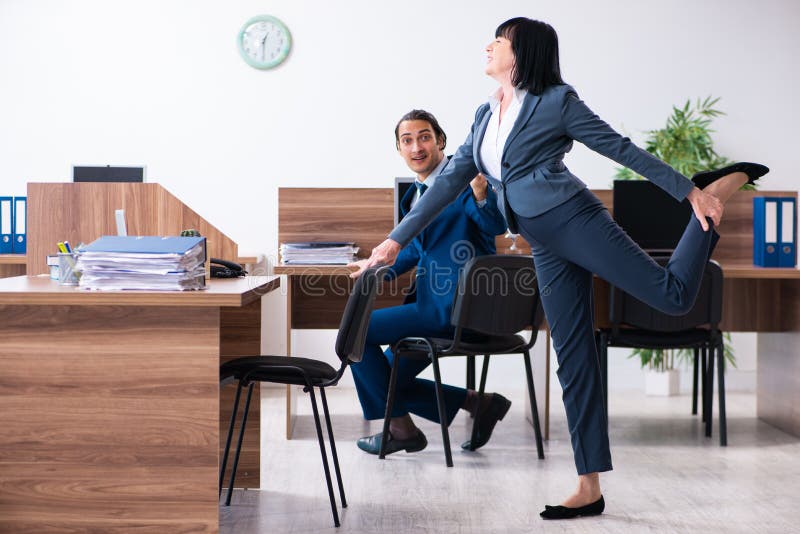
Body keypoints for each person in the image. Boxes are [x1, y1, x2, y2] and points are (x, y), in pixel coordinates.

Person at [354, 18, 768, 519]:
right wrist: (394, 241)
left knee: (674, 295)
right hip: (541, 238)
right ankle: (588, 485)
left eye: (499, 41)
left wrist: (690, 191)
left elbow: (620, 147)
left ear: (522, 52)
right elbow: (448, 182)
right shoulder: (486, 114)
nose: (489, 46)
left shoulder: (556, 102)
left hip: (573, 219)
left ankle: (715, 195)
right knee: (573, 358)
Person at [349, 109, 509, 456]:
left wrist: (481, 192)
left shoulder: (464, 179)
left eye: (424, 137)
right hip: (433, 308)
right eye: (407, 140)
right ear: (399, 149)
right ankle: (478, 403)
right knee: (386, 378)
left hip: (454, 309)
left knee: (355, 332)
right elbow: (413, 251)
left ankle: (402, 430)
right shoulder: (417, 194)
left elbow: (495, 226)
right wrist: (375, 268)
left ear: (441, 142)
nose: (416, 146)